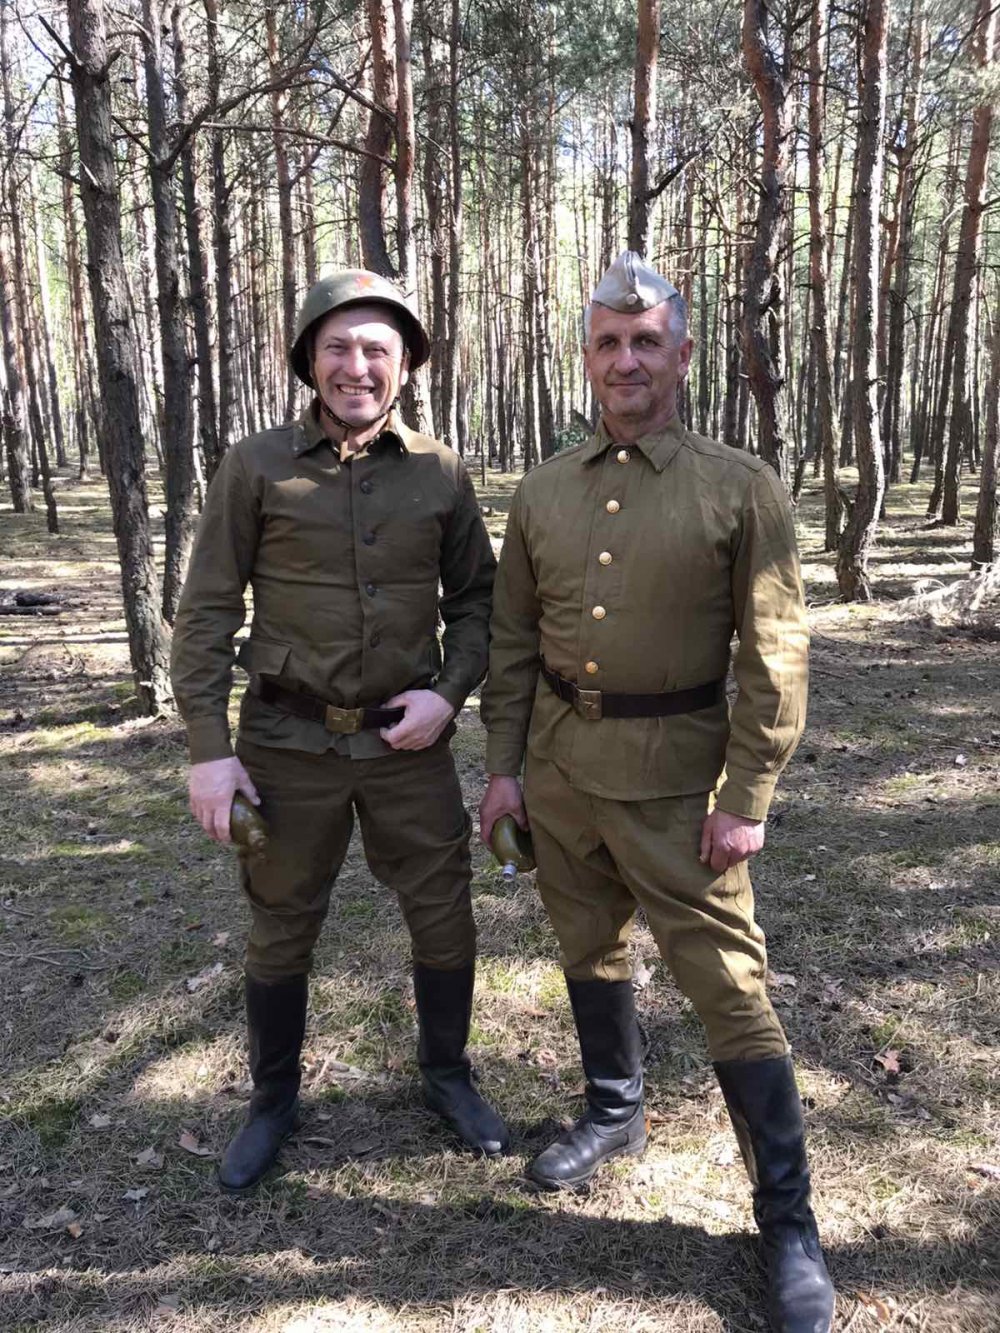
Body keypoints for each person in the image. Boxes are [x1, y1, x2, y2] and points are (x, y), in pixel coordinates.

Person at [479, 252, 833, 1333]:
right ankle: (614, 1109)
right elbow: (510, 640)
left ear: (681, 355)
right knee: (585, 943)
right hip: (560, 775)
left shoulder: (739, 486)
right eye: (607, 342)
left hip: (682, 787)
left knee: (729, 985)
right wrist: (504, 769)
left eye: (645, 341)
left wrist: (747, 794)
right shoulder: (544, 488)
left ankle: (788, 1221)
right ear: (586, 358)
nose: (625, 359)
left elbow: (776, 651)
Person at [171, 269, 509, 1193]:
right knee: (282, 918)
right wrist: (209, 752)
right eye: (338, 347)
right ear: (308, 360)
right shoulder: (256, 467)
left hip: (408, 742)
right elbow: (206, 614)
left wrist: (449, 695)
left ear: (405, 365)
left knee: (442, 909)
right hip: (287, 744)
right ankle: (272, 1099)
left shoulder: (440, 472)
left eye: (376, 349)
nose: (356, 366)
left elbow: (478, 603)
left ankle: (447, 1074)